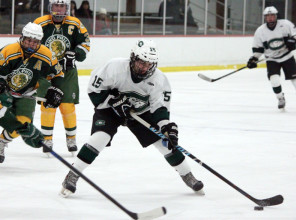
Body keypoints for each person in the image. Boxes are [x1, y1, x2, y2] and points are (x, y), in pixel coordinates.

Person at [60, 39, 204, 197]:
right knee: (99, 138)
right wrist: (113, 101)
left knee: (165, 143)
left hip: (141, 113)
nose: (144, 68)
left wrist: (166, 126)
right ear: (133, 58)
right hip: (110, 110)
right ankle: (73, 174)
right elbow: (94, 92)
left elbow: (160, 109)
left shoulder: (158, 80)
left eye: (149, 64)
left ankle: (187, 175)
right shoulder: (114, 67)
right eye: (141, 62)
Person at [0, 22, 64, 163]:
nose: (30, 45)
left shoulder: (46, 54)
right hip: (4, 92)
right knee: (4, 117)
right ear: (22, 38)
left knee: (23, 124)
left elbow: (58, 74)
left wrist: (55, 89)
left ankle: (1, 143)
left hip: (27, 95)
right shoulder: (8, 51)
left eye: (35, 42)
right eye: (28, 40)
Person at [34, 0, 90, 155]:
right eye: (56, 6)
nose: (59, 9)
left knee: (67, 106)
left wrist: (76, 54)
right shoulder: (39, 23)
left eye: (62, 6)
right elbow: (30, 44)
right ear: (50, 7)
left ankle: (71, 138)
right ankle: (47, 139)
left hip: (67, 71)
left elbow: (85, 43)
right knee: (48, 105)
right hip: (46, 71)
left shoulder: (75, 23)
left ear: (68, 8)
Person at [247, 6, 296, 109]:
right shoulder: (260, 31)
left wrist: (294, 40)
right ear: (265, 18)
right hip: (272, 59)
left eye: (272, 15)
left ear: (276, 16)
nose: (270, 18)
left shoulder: (285, 24)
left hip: (287, 57)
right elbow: (258, 49)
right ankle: (280, 98)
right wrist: (253, 59)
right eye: (267, 16)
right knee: (274, 80)